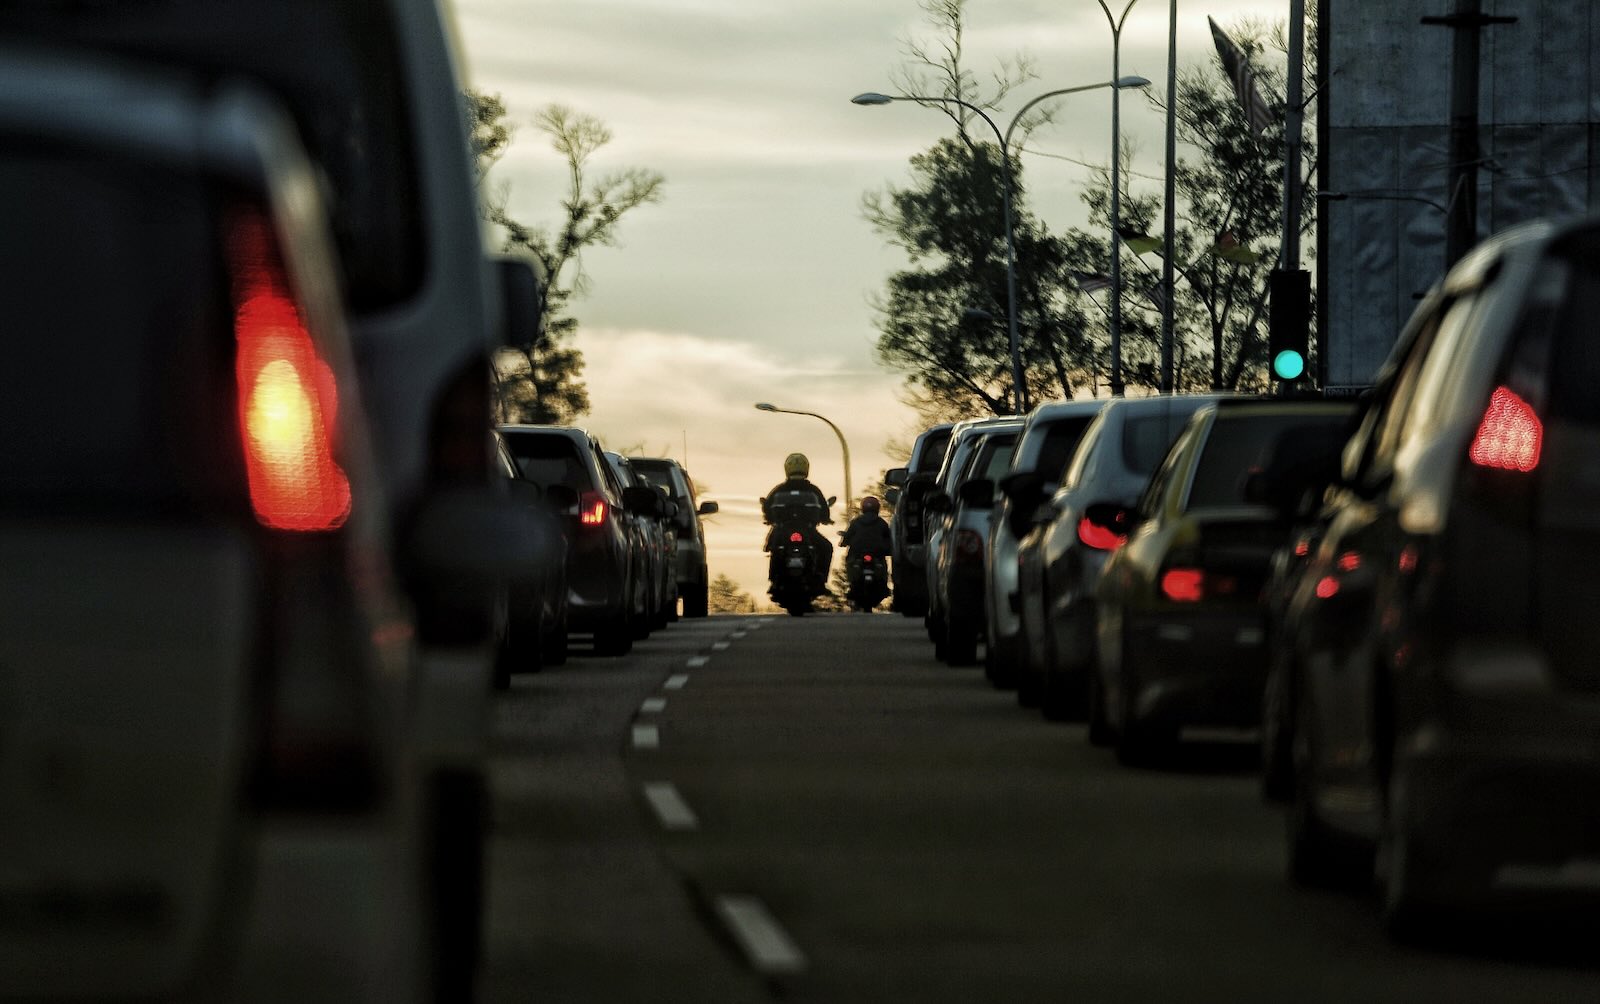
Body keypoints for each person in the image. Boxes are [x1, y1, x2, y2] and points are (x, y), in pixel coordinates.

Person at [761, 452, 833, 595]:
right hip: (807, 529)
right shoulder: (813, 489)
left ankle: (774, 580)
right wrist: (826, 518)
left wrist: (768, 517)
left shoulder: (779, 489)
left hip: (783, 529)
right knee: (826, 548)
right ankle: (820, 580)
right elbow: (824, 508)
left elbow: (767, 506)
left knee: (773, 547)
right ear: (806, 468)